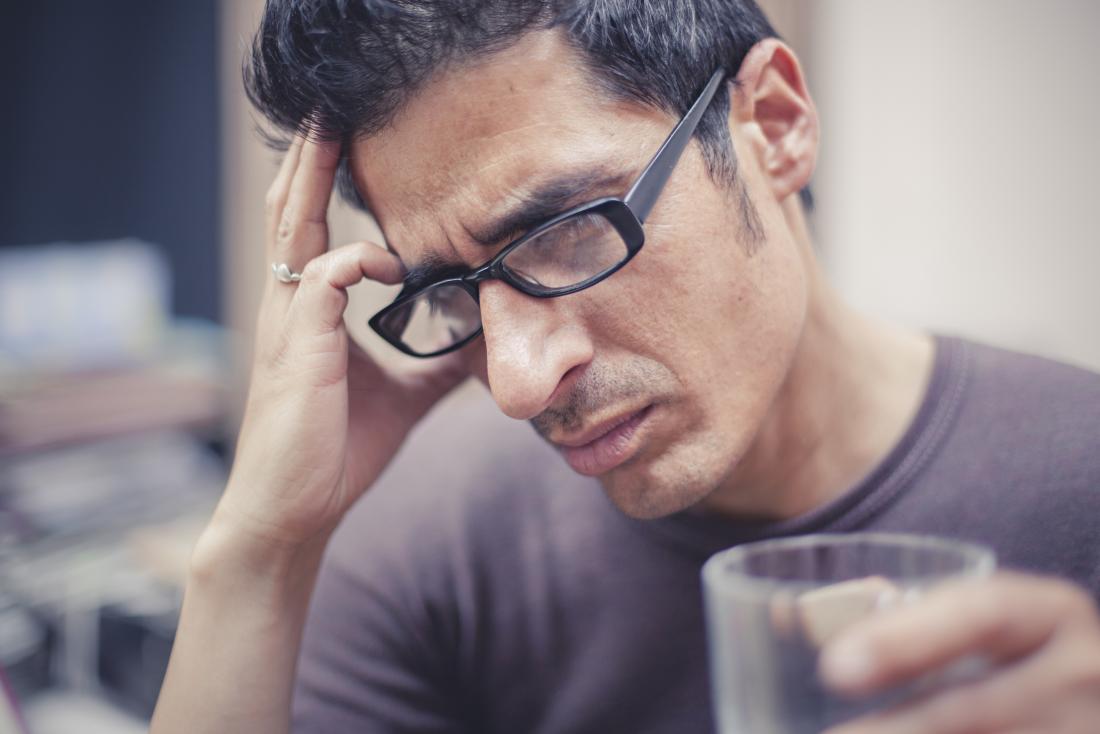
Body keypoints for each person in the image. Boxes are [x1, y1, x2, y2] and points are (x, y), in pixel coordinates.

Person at [151, 1, 1100, 732]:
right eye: (450, 292)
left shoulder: (1078, 484)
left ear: (772, 124)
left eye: (563, 234)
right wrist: (258, 554)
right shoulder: (432, 549)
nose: (521, 382)